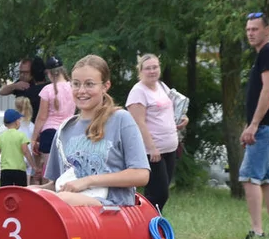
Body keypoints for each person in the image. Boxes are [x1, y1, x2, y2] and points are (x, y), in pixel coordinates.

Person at [41, 55, 150, 206]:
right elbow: (58, 185)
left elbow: (141, 175)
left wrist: (88, 181)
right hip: (69, 209)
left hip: (113, 210)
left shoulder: (121, 120)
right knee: (31, 196)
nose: (81, 91)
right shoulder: (65, 129)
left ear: (105, 86)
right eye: (76, 84)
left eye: (90, 84)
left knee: (63, 200)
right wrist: (34, 191)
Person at [240, 12, 269, 239]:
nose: (250, 33)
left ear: (267, 30)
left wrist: (254, 125)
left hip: (266, 127)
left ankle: (256, 230)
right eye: (248, 29)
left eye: (255, 29)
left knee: (250, 177)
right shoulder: (265, 55)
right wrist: (250, 124)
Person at [126, 54, 189, 213]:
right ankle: (144, 223)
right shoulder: (138, 92)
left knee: (161, 192)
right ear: (140, 71)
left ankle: (153, 225)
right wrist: (152, 148)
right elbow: (138, 123)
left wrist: (182, 119)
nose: (152, 71)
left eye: (155, 67)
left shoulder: (161, 86)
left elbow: (172, 108)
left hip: (170, 147)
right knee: (159, 194)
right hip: (153, 150)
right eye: (148, 68)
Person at [31, 56, 75, 185]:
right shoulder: (73, 87)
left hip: (50, 132)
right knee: (66, 171)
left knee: (51, 173)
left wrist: (34, 138)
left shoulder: (47, 90)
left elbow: (42, 116)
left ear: (49, 73)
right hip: (68, 130)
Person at [0, 57, 48, 123]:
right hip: (23, 122)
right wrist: (15, 86)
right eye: (20, 72)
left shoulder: (40, 84)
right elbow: (2, 92)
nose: (22, 75)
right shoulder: (19, 83)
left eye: (26, 72)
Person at [0, 108, 34, 187]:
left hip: (5, 171)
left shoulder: (1, 137)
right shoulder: (21, 135)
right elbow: (26, 151)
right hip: (19, 170)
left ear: (5, 124)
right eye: (19, 120)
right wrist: (33, 165)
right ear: (16, 122)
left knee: (5, 193)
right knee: (21, 193)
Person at [14, 96, 36, 179]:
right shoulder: (31, 126)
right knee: (27, 184)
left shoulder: (14, 126)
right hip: (29, 155)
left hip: (16, 156)